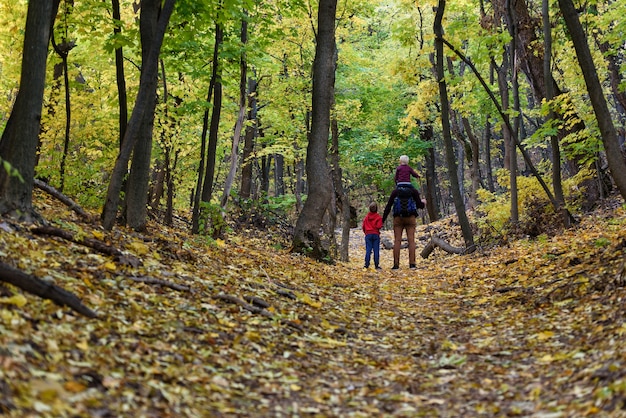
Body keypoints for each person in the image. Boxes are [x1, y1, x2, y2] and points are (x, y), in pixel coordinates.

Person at [382, 184, 426, 270]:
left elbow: (388, 206)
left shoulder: (395, 192)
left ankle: (396, 265)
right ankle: (412, 264)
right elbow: (420, 205)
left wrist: (382, 220)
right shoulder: (413, 191)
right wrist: (423, 203)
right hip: (411, 218)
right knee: (411, 240)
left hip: (398, 218)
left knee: (397, 240)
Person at [362, 202, 383, 270]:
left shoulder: (366, 217)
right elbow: (379, 226)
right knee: (376, 250)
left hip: (368, 234)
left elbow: (363, 226)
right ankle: (376, 265)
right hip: (376, 235)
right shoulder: (378, 217)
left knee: (368, 250)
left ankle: (366, 264)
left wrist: (366, 232)